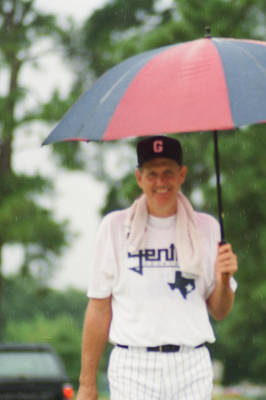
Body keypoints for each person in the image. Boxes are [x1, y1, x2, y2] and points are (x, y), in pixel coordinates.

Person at [76, 135, 238, 400]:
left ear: (182, 174)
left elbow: (220, 311)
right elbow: (99, 307)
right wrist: (87, 384)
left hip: (191, 363)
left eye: (168, 173)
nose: (161, 182)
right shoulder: (115, 228)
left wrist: (224, 278)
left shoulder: (207, 228)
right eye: (152, 174)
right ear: (139, 177)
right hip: (133, 364)